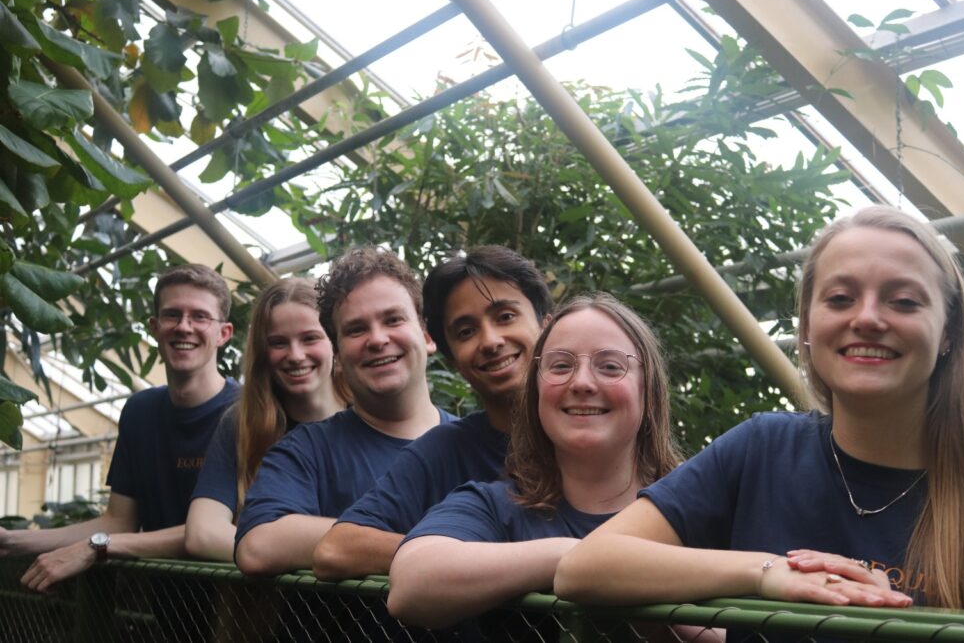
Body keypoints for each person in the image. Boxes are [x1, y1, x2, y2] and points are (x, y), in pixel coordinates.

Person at [555, 206, 964, 619]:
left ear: (947, 333)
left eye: (903, 301)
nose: (866, 318)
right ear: (808, 326)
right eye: (840, 299)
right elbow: (583, 567)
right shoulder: (762, 449)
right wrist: (766, 573)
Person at [387, 293, 683, 630]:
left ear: (649, 389)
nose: (582, 382)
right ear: (536, 392)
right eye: (561, 366)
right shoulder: (495, 505)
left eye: (610, 366)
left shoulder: (701, 501)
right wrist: (580, 557)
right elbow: (411, 586)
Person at [313, 246, 552, 580]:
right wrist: (478, 558)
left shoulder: (601, 423)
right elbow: (336, 550)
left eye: (505, 317)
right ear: (453, 360)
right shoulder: (445, 449)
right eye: (466, 332)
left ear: (547, 326)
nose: (490, 341)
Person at [0, 264, 238, 591]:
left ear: (224, 333)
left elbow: (229, 531)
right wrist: (12, 541)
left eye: (200, 317)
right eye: (172, 315)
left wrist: (98, 547)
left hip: (239, 603)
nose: (184, 327)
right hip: (165, 603)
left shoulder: (247, 411)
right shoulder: (141, 411)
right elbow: (119, 520)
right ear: (154, 327)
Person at [234, 247, 454, 576]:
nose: (377, 339)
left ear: (427, 336)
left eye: (393, 319)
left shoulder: (478, 442)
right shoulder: (306, 450)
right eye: (356, 329)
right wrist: (438, 548)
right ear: (337, 354)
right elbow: (258, 546)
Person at [185, 278, 347, 561]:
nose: (295, 355)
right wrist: (339, 554)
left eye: (310, 338)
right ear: (262, 351)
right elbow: (202, 533)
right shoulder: (242, 423)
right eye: (278, 343)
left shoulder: (370, 415)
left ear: (334, 340)